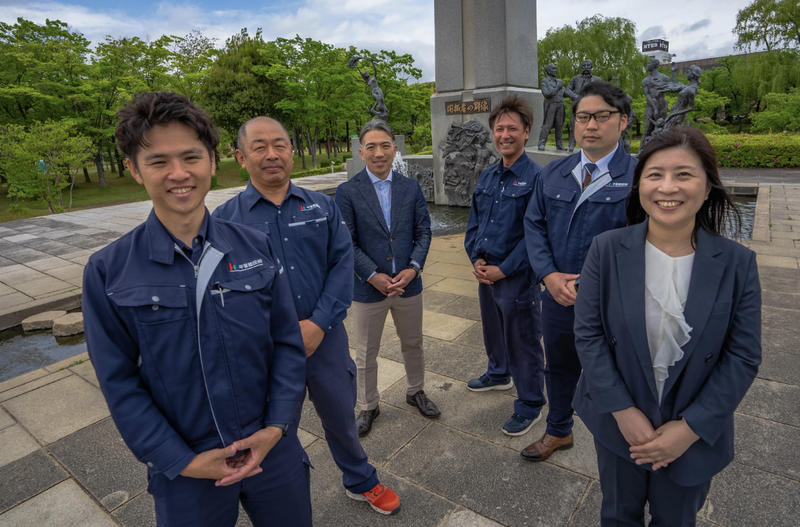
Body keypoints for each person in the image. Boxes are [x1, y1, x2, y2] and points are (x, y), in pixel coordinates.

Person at [82, 92, 311, 527]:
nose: (179, 174)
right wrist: (178, 460)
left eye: (191, 157)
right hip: (187, 466)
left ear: (212, 160)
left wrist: (277, 426)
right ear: (134, 170)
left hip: (272, 450)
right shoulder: (109, 271)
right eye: (158, 162)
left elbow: (286, 344)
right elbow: (119, 381)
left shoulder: (254, 246)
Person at [212, 116, 400, 516]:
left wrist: (317, 324)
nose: (271, 154)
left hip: (325, 338)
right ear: (240, 156)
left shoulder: (322, 206)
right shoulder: (225, 221)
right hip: (267, 352)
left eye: (279, 145)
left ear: (291, 151)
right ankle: (282, 497)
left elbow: (340, 263)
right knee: (275, 430)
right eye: (259, 147)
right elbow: (222, 294)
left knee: (341, 417)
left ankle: (359, 478)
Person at [573, 127, 761, 526]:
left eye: (684, 174)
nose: (667, 187)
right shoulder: (606, 249)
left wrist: (690, 428)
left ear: (708, 186)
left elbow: (743, 355)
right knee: (618, 515)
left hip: (694, 430)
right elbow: (588, 335)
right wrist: (623, 411)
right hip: (617, 420)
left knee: (676, 520)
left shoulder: (737, 263)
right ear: (639, 184)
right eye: (655, 174)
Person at [523, 81, 636, 461]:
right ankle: (558, 430)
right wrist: (548, 275)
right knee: (557, 364)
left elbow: (646, 242)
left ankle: (624, 438)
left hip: (613, 299)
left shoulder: (639, 177)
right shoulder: (554, 172)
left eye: (601, 116)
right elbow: (534, 225)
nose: (590, 124)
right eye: (583, 116)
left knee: (619, 370)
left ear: (622, 122)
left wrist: (597, 280)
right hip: (558, 294)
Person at [335, 119, 440, 437]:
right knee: (366, 352)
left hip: (409, 284)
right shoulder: (347, 192)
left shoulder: (411, 187)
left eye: (385, 146)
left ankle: (415, 391)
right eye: (371, 147)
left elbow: (423, 231)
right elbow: (346, 242)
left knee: (413, 342)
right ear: (360, 151)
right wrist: (372, 275)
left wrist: (414, 268)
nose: (379, 153)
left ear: (395, 149)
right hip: (368, 290)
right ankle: (367, 405)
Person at [464, 95, 546, 437]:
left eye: (513, 128)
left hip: (517, 276)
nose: (505, 134)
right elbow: (474, 223)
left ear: (527, 132)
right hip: (487, 273)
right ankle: (498, 373)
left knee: (523, 339)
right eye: (499, 128)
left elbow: (535, 235)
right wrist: (477, 259)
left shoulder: (537, 178)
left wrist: (504, 269)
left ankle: (530, 403)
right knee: (493, 329)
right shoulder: (487, 175)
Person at [564, 60, 602, 152]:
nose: (586, 67)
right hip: (577, 105)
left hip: (592, 106)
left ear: (591, 67)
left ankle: (589, 146)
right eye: (584, 66)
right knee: (574, 124)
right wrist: (576, 97)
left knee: (591, 125)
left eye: (588, 66)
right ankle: (571, 145)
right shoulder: (575, 79)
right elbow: (567, 90)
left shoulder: (597, 80)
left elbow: (602, 91)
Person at [537, 64, 566, 151]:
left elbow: (563, 93)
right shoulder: (544, 82)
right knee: (548, 124)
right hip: (551, 104)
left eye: (555, 69)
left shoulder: (559, 82)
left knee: (559, 124)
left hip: (560, 104)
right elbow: (546, 94)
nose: (555, 70)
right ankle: (541, 143)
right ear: (548, 71)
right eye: (553, 69)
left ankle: (559, 144)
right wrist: (558, 87)